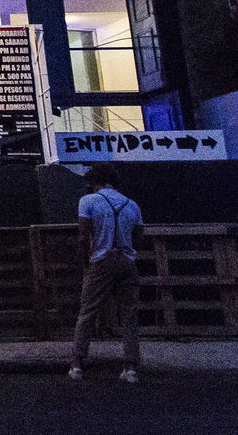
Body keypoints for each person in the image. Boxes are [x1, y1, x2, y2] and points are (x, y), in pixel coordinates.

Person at [68, 163, 144, 384]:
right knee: (129, 315)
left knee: (87, 313)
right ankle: (130, 367)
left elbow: (84, 236)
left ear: (93, 182)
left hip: (101, 260)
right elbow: (138, 236)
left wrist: (85, 262)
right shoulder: (132, 205)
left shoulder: (88, 201)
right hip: (127, 261)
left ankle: (77, 364)